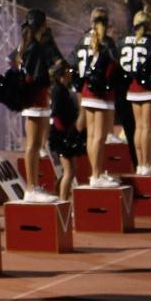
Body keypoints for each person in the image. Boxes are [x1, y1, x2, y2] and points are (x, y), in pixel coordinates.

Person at [15, 9, 63, 201]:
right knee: (33, 145)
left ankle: (33, 186)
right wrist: (51, 75)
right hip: (34, 99)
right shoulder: (33, 46)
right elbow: (36, 76)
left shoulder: (26, 45)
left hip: (38, 98)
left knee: (36, 145)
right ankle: (31, 188)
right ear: (43, 25)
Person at [119, 10, 151, 174]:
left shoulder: (124, 41)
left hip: (132, 88)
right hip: (149, 89)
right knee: (147, 128)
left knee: (138, 128)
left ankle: (141, 165)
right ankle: (146, 164)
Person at [75, 6, 121, 185]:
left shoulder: (82, 40)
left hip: (87, 90)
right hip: (102, 93)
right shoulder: (107, 42)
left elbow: (72, 63)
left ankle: (96, 173)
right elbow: (115, 66)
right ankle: (96, 174)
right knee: (99, 136)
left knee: (91, 135)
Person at [46, 59, 86, 201]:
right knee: (69, 171)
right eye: (68, 72)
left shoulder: (64, 89)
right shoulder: (58, 91)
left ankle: (62, 198)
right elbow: (56, 115)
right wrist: (64, 134)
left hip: (66, 133)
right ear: (61, 74)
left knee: (71, 170)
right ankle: (63, 201)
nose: (71, 74)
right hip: (61, 135)